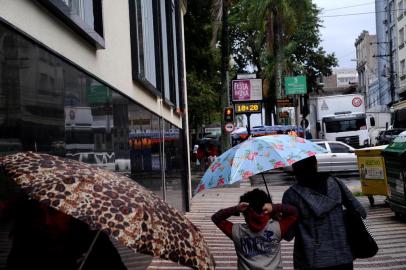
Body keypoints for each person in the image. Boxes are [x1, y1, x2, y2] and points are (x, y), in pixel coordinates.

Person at [282, 156, 367, 270]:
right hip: (343, 256)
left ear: (295, 169)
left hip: (310, 261)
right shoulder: (336, 183)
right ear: (316, 164)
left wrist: (277, 217)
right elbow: (361, 211)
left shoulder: (291, 195)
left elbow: (288, 235)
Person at [212, 189, 298, 270]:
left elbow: (216, 218)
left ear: (245, 214)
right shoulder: (278, 228)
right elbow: (294, 212)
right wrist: (274, 207)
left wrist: (236, 209)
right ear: (266, 210)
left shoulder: (236, 231)